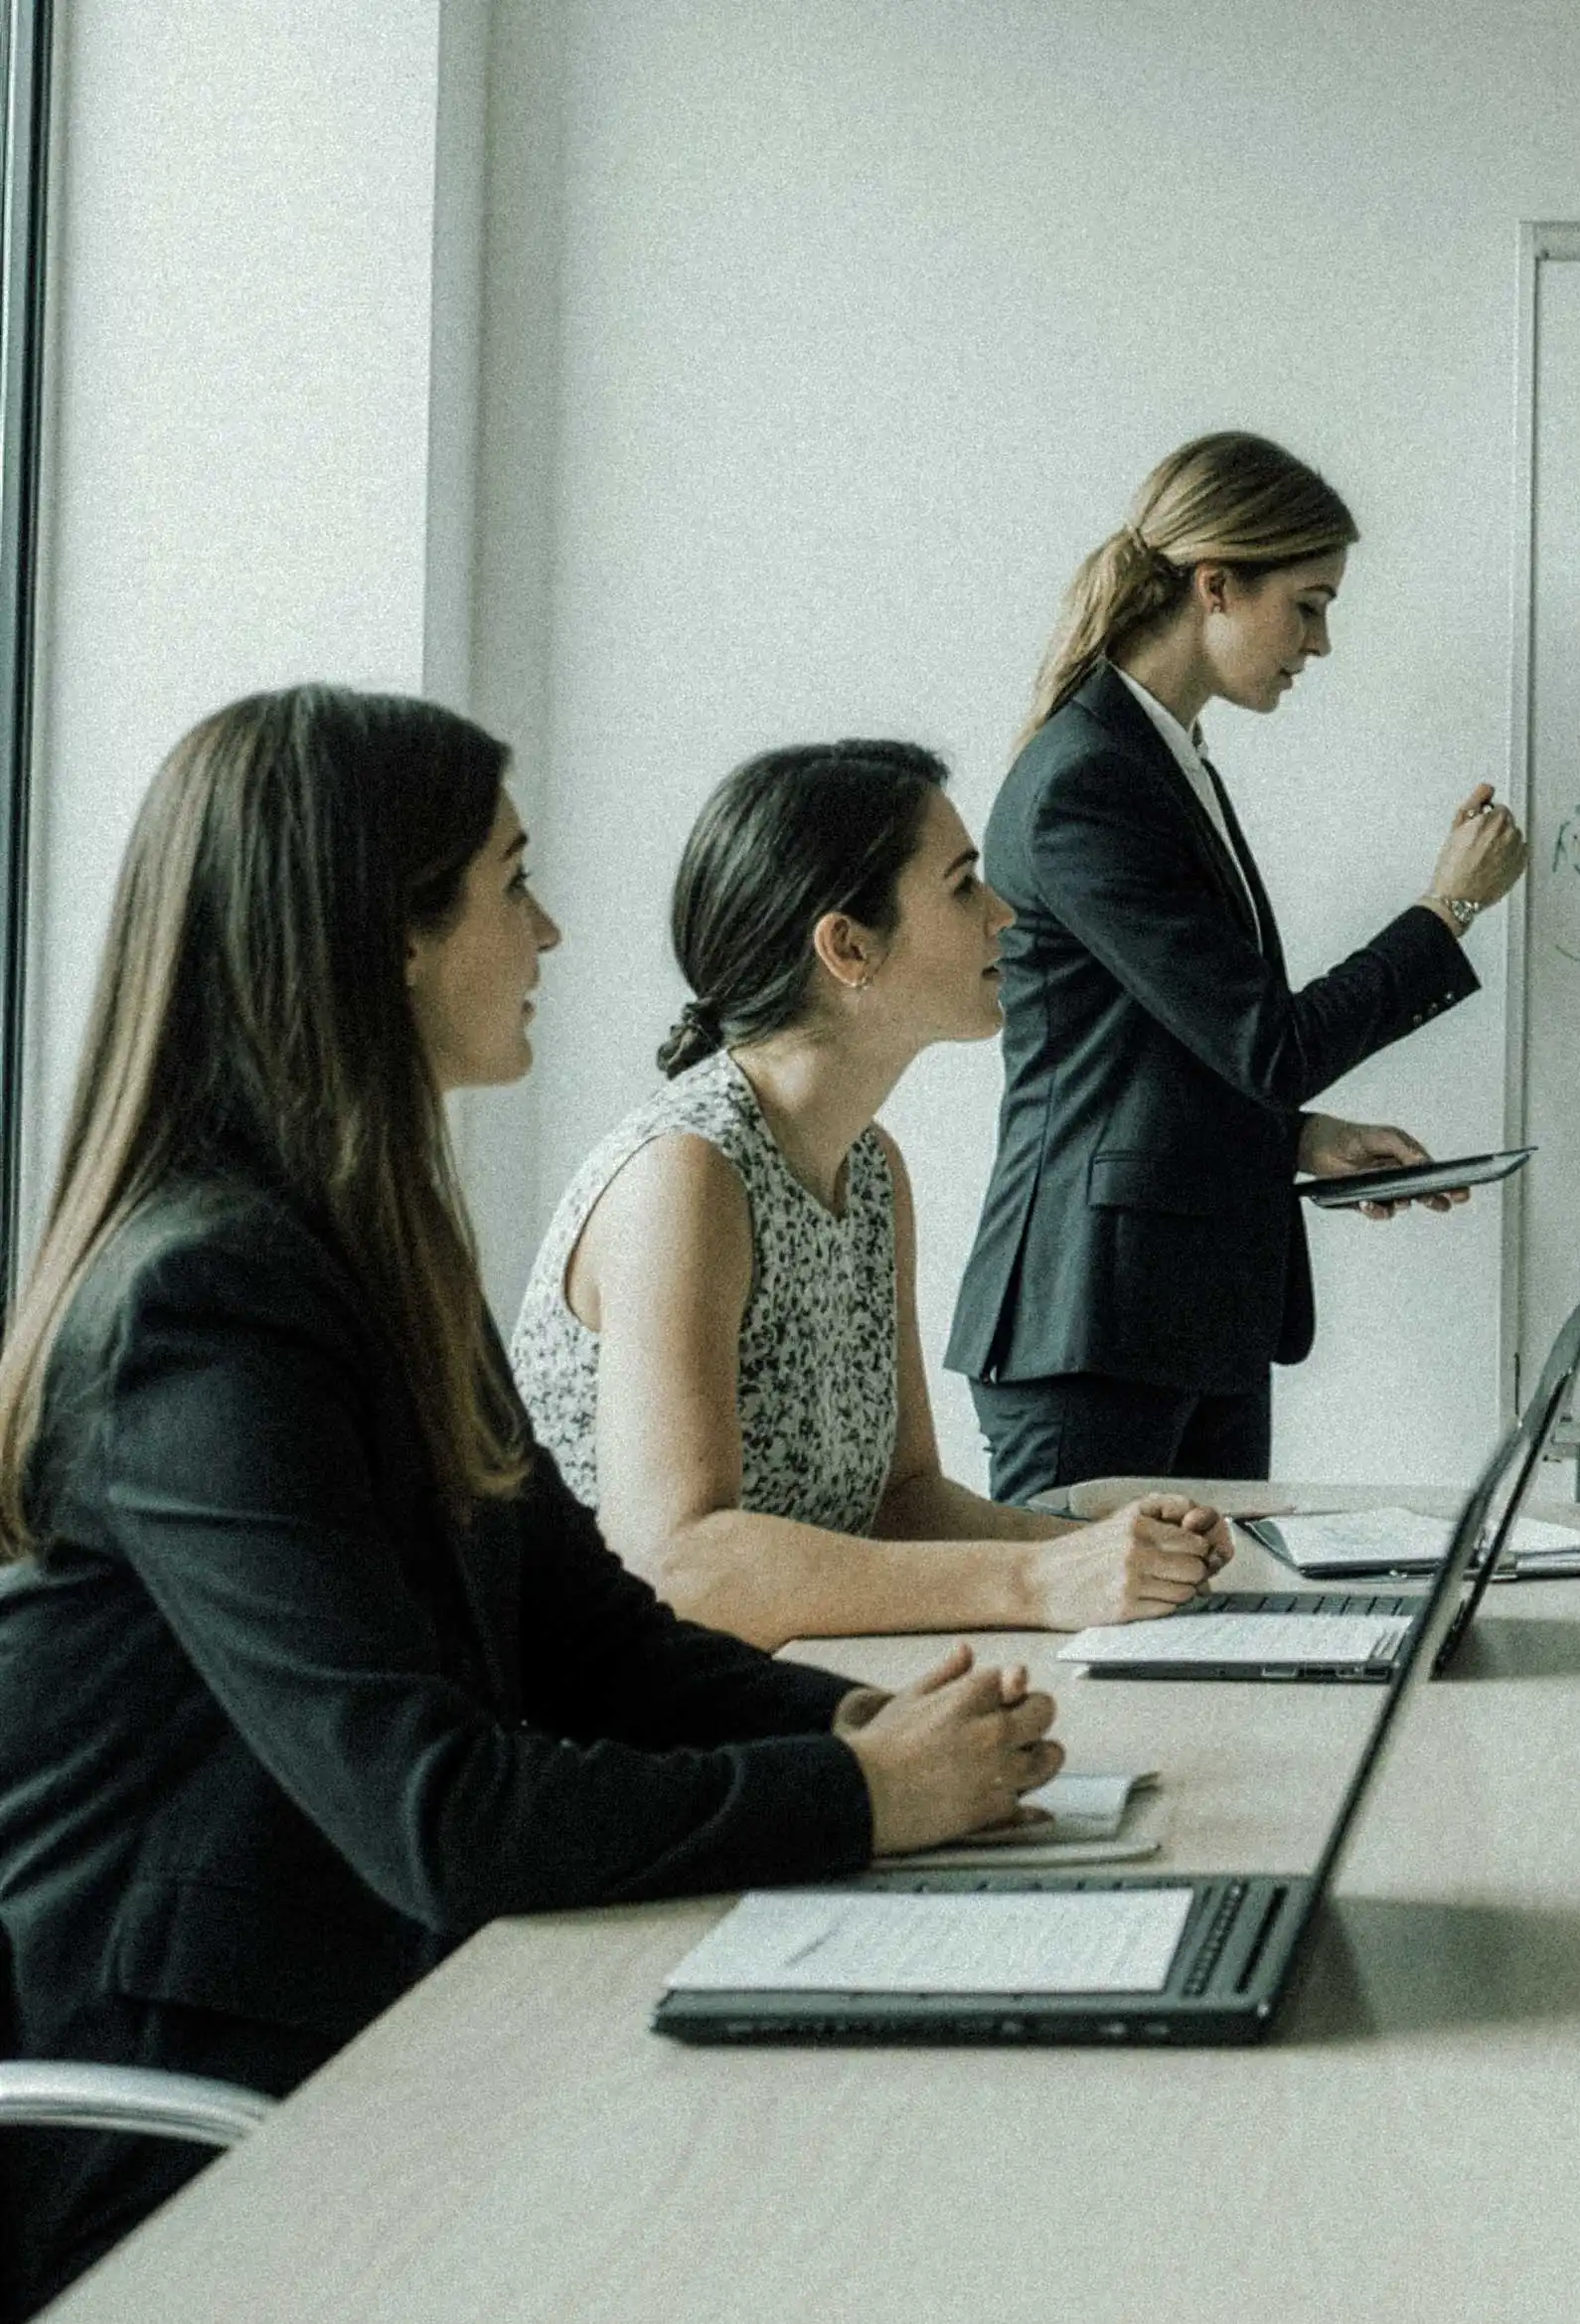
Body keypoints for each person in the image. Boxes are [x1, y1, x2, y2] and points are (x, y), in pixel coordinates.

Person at [0, 689, 1058, 2318]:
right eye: (512, 881)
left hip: (397, 2016)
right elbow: (439, 1813)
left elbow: (602, 1642)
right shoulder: (198, 1303)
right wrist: (859, 1799)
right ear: (392, 938)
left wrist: (870, 1721)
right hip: (208, 2118)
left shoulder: (362, 1247)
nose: (554, 927)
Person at [512, 742, 1233, 1652]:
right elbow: (676, 1564)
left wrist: (1113, 1552)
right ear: (848, 946)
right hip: (620, 1741)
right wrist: (1044, 1576)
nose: (1004, 916)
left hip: (772, 1701)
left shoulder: (871, 1165)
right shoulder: (685, 1175)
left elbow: (900, 1501)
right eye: (965, 885)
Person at [947, 431, 1528, 1499]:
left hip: (1179, 1319)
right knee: (1080, 1660)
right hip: (1092, 1329)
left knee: (1211, 1651)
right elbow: (1269, 1041)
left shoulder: (1161, 756)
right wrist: (1445, 910)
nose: (1319, 642)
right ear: (1214, 585)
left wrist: (1298, 1139)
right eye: (1306, 604)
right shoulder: (1090, 778)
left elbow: (1164, 1054)